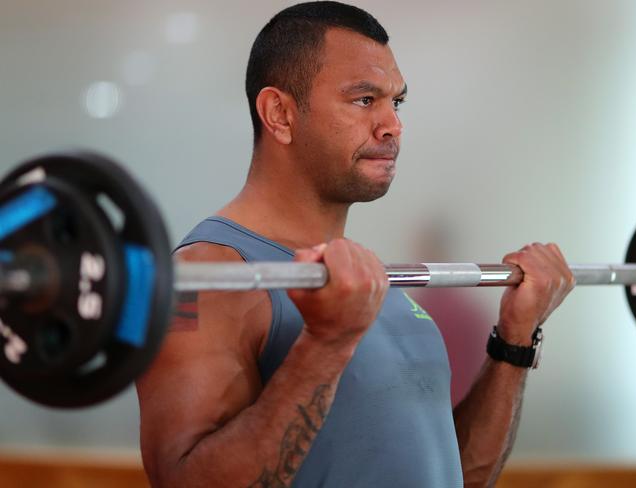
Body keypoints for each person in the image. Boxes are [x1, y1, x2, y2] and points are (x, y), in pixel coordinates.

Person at [136, 2, 575, 487]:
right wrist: (328, 341)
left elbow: (459, 475)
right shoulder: (208, 276)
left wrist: (514, 340)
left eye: (397, 102)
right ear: (279, 114)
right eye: (365, 99)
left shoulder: (372, 283)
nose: (392, 125)